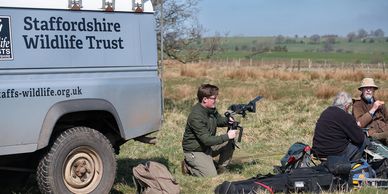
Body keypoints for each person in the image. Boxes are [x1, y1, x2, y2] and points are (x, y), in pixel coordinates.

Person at [182, 84, 238, 177]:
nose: (216, 101)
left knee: (230, 142)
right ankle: (188, 166)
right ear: (205, 99)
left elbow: (218, 120)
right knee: (210, 175)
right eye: (214, 98)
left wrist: (228, 121)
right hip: (195, 151)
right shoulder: (196, 116)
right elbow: (207, 140)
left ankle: (221, 168)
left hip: (206, 147)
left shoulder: (210, 109)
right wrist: (226, 136)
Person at [312, 92, 367, 162]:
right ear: (346, 106)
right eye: (350, 106)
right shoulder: (345, 116)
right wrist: (357, 127)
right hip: (335, 154)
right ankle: (352, 166)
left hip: (318, 151)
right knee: (364, 140)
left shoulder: (326, 112)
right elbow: (359, 139)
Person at [353, 78, 388, 144]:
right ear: (362, 90)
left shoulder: (379, 102)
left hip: (385, 129)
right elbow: (359, 124)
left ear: (374, 90)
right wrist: (373, 109)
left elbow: (387, 118)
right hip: (372, 134)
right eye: (366, 88)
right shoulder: (357, 104)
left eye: (371, 88)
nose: (368, 90)